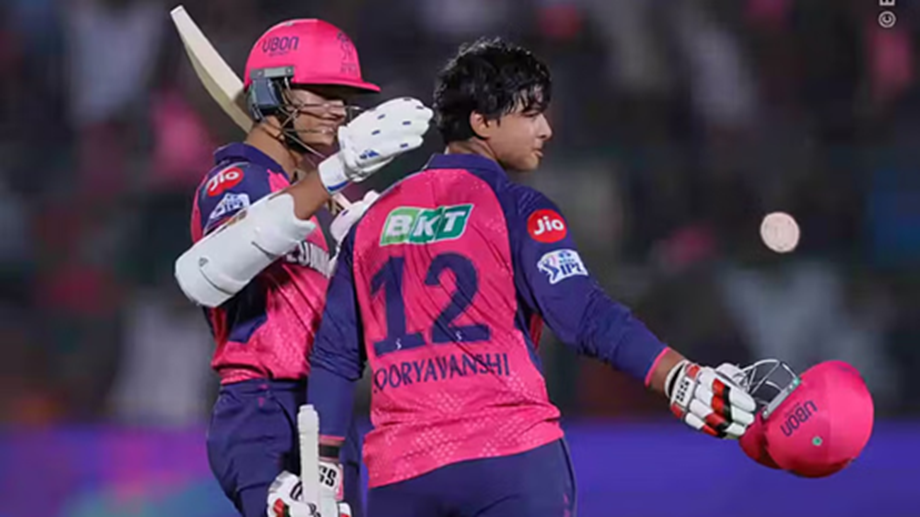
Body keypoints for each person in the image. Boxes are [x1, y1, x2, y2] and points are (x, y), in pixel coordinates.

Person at [305, 37, 756, 517]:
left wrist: (321, 470)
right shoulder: (517, 208)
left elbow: (334, 357)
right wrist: (679, 377)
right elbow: (584, 314)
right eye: (530, 114)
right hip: (508, 460)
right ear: (482, 122)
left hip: (403, 477)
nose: (546, 129)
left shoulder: (372, 222)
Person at [173, 18, 432, 517]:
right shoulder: (238, 179)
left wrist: (357, 254)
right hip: (264, 406)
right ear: (272, 92)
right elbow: (210, 268)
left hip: (326, 411)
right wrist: (338, 171)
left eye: (343, 97)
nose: (338, 109)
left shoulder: (309, 206)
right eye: (324, 93)